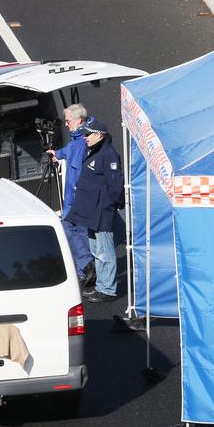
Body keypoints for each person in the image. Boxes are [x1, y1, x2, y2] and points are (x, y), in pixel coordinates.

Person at [66, 119, 124, 303]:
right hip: (91, 211)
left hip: (101, 212)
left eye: (88, 134)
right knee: (96, 250)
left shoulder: (108, 154)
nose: (85, 138)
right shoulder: (94, 150)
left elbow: (116, 185)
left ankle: (107, 289)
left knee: (104, 251)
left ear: (99, 135)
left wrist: (109, 205)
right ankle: (101, 286)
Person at [47, 104, 95, 286]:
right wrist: (57, 153)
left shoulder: (85, 140)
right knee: (75, 232)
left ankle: (86, 265)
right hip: (73, 198)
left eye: (68, 121)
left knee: (75, 231)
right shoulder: (78, 138)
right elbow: (69, 150)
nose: (66, 125)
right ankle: (85, 268)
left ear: (78, 120)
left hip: (78, 197)